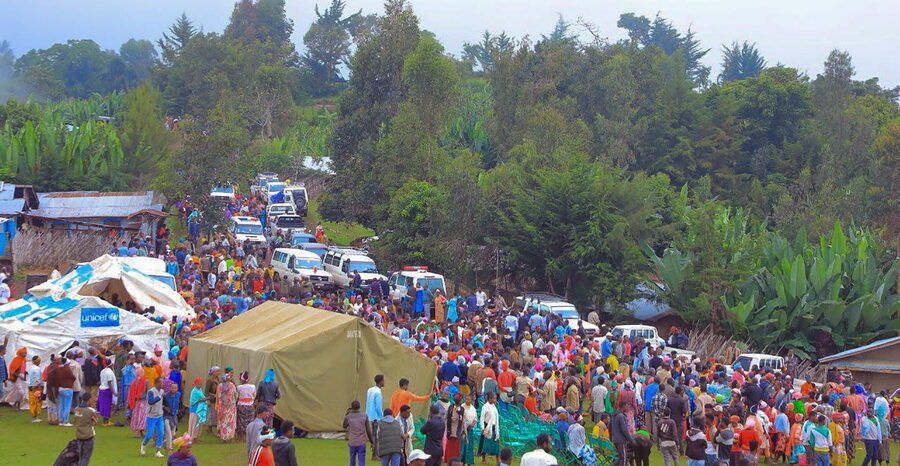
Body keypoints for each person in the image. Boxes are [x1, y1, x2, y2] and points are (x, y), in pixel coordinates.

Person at [53, 392, 97, 466]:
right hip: (88, 436)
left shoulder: (76, 409)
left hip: (79, 436)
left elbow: (76, 419)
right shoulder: (91, 410)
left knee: (79, 457)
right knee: (85, 458)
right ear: (89, 400)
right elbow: (94, 421)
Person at [142, 377, 166, 458]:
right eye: (161, 383)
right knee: (150, 434)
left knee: (161, 432)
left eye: (163, 383)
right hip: (151, 416)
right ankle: (144, 444)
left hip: (159, 415)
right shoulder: (151, 392)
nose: (162, 384)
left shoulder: (162, 391)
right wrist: (159, 397)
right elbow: (151, 402)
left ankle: (158, 451)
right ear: (156, 383)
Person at [344, 400, 372, 466]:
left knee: (352, 461)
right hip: (361, 442)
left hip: (352, 442)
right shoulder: (364, 416)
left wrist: (346, 414)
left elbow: (344, 425)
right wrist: (372, 441)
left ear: (351, 407)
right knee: (362, 461)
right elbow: (368, 430)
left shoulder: (348, 416)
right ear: (359, 407)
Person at [367, 374, 385, 460]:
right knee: (376, 436)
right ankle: (375, 455)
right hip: (376, 417)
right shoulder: (378, 392)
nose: (384, 382)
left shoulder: (370, 390)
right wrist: (382, 417)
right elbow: (378, 407)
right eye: (383, 380)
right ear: (381, 381)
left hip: (369, 416)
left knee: (373, 435)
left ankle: (374, 454)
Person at [478, 392, 500, 464]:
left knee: (496, 443)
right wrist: (482, 428)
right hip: (487, 427)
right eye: (494, 398)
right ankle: (484, 459)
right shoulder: (485, 407)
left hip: (494, 427)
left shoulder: (494, 406)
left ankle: (497, 459)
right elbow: (482, 418)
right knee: (486, 444)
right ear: (490, 399)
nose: (495, 400)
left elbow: (496, 417)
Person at [445, 393, 467, 463]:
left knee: (450, 449)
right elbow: (463, 422)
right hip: (457, 433)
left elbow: (445, 417)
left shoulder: (450, 407)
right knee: (455, 450)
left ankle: (449, 462)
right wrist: (466, 433)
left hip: (449, 432)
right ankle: (454, 463)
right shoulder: (462, 410)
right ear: (460, 401)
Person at [217, 368, 238, 442]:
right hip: (231, 406)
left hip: (222, 406)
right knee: (231, 422)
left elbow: (218, 396)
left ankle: (224, 437)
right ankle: (230, 437)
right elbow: (235, 395)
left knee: (223, 422)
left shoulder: (220, 386)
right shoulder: (232, 385)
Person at [236, 371, 257, 439]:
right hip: (250, 405)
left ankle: (241, 437)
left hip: (241, 405)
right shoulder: (253, 386)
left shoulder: (239, 387)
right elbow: (254, 396)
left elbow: (237, 397)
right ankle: (250, 436)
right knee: (250, 421)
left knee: (241, 421)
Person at [97, 357, 116, 425]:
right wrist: (114, 392)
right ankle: (106, 421)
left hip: (101, 389)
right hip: (107, 390)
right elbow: (109, 382)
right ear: (111, 365)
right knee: (107, 405)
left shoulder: (103, 371)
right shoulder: (109, 372)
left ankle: (104, 420)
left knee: (103, 405)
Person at [26, 355, 43, 422]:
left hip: (30, 386)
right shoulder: (36, 369)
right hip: (36, 387)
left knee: (32, 401)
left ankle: (34, 416)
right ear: (37, 361)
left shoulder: (30, 368)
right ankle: (34, 416)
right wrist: (39, 386)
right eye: (39, 361)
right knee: (36, 401)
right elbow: (37, 378)